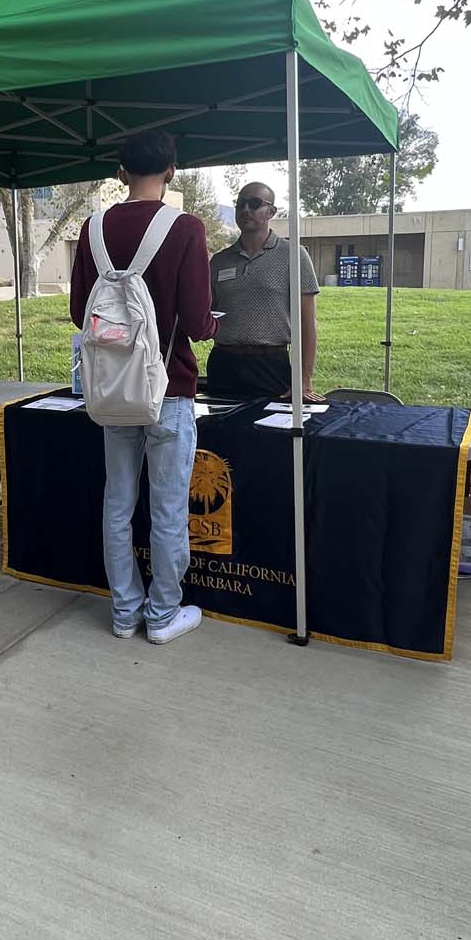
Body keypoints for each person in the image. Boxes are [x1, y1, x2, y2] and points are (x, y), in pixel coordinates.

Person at [70, 131, 216, 646]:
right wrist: (213, 325)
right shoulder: (186, 229)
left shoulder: (94, 229)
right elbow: (198, 322)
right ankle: (162, 615)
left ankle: (124, 612)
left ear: (120, 171)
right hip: (168, 388)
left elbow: (78, 314)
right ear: (172, 172)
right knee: (168, 508)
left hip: (112, 391)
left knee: (117, 502)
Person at [205, 181, 323, 402]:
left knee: (270, 434)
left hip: (270, 365)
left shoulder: (294, 255)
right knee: (219, 435)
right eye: (241, 204)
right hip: (223, 363)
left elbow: (308, 324)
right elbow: (207, 312)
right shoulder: (219, 261)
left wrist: (304, 380)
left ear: (271, 211)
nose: (246, 209)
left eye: (255, 203)